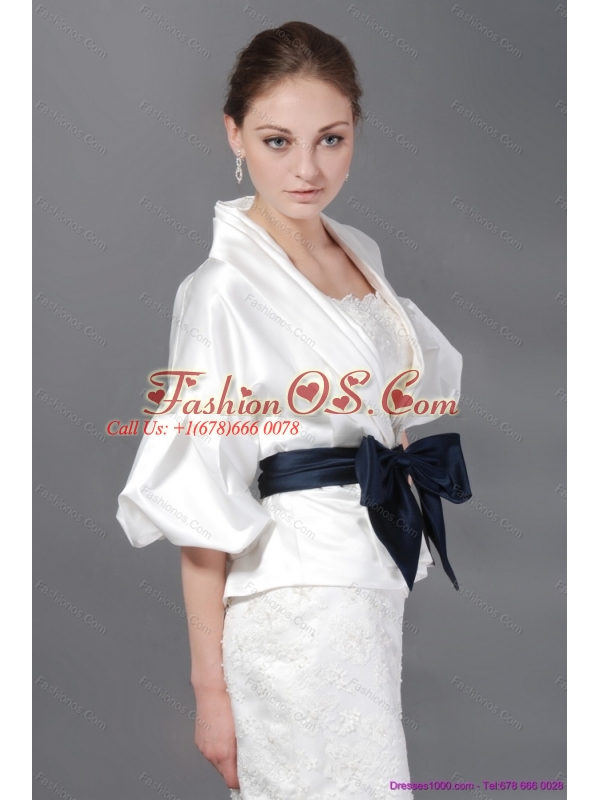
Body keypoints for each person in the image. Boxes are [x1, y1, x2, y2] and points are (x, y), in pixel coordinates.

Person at [117, 20, 471, 800]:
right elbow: (198, 498)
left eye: (330, 140)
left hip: (368, 583)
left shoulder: (357, 253)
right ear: (234, 134)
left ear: (354, 135)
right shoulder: (223, 290)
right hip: (293, 601)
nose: (307, 169)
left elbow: (392, 408)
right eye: (278, 142)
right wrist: (211, 693)